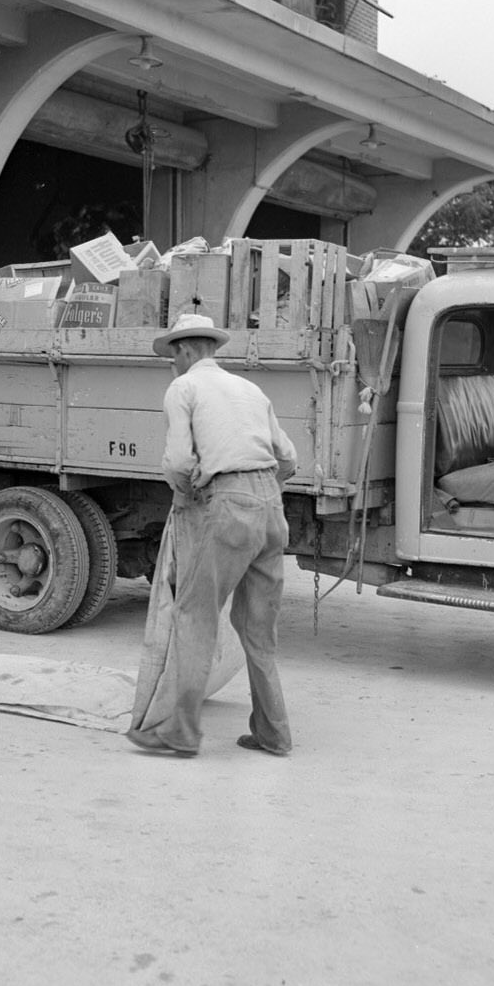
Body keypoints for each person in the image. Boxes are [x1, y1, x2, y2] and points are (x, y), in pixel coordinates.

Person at [125, 313, 299, 756]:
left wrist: (191, 494)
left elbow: (178, 463)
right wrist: (261, 494)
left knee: (195, 618)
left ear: (184, 349)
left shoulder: (184, 388)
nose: (172, 364)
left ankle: (178, 732)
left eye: (172, 357)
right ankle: (274, 733)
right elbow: (289, 458)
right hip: (271, 509)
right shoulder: (250, 389)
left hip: (226, 506)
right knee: (258, 630)